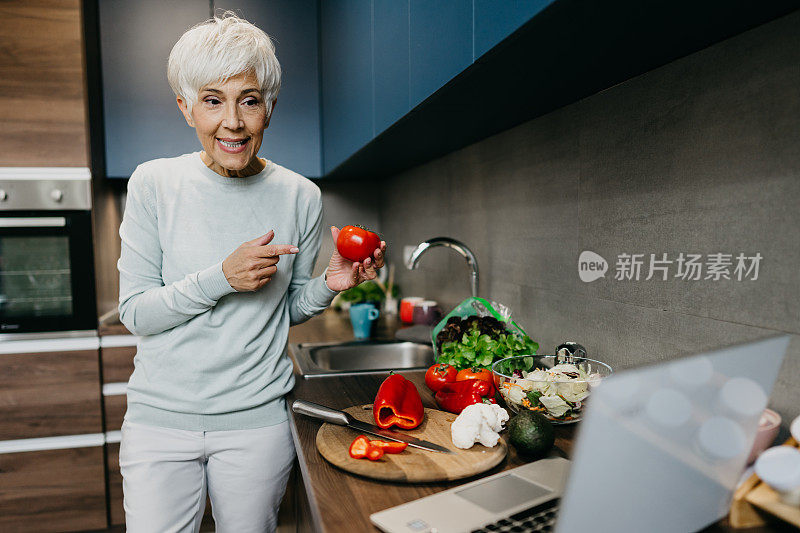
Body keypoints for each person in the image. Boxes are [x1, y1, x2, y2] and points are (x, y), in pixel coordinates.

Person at [116, 13, 385, 532]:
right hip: (160, 424)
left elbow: (283, 310)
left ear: (270, 107)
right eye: (213, 100)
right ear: (185, 107)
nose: (233, 122)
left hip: (256, 425)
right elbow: (136, 313)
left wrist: (328, 287)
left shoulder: (301, 196)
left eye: (250, 100)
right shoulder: (153, 184)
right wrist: (222, 276)